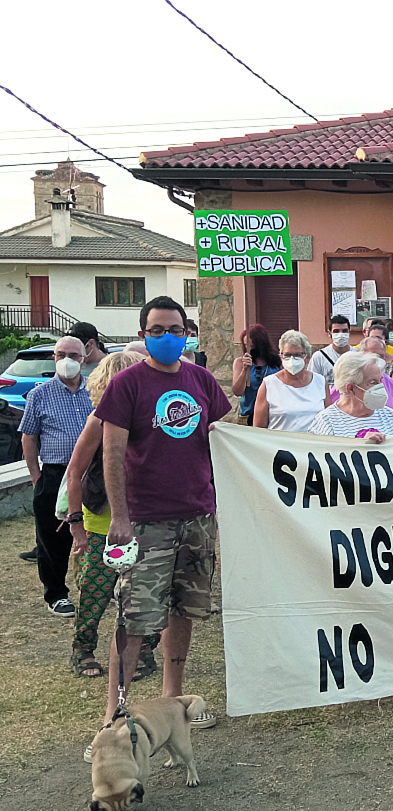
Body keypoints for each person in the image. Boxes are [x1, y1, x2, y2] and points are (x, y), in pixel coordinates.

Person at [94, 295, 232, 740]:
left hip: (197, 516)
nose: (168, 338)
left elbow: (225, 435)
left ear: (186, 333)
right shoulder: (127, 385)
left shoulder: (201, 380)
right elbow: (112, 455)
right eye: (158, 331)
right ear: (143, 335)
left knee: (183, 610)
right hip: (146, 521)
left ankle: (174, 697)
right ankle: (115, 714)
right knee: (134, 618)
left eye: (175, 329)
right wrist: (120, 516)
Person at [63, 351, 159, 680]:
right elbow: (74, 473)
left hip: (145, 518)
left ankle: (144, 650)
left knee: (146, 590)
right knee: (96, 589)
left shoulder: (151, 419)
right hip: (102, 521)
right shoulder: (98, 421)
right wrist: (77, 526)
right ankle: (83, 648)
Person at [20, 335, 92, 616]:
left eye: (73, 355)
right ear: (54, 357)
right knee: (53, 537)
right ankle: (57, 594)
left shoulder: (94, 392)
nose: (67, 361)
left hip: (89, 474)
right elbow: (29, 438)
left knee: (93, 531)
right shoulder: (40, 394)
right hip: (55, 473)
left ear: (83, 359)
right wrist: (37, 477)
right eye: (61, 354)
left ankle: (98, 586)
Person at [309, 351, 393, 440]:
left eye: (380, 381)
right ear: (350, 389)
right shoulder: (326, 422)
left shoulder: (391, 417)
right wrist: (360, 445)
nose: (381, 387)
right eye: (373, 383)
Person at [253, 330, 328, 431]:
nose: (292, 359)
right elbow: (258, 429)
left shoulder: (321, 382)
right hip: (280, 445)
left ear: (307, 357)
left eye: (297, 355)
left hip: (313, 445)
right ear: (281, 356)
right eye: (287, 355)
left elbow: (329, 421)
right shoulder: (269, 385)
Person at [333, 336, 393, 418]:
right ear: (362, 354)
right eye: (374, 355)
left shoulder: (391, 384)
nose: (378, 360)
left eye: (382, 356)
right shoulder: (347, 380)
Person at [231, 324, 281, 424]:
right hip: (249, 414)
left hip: (273, 414)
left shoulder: (277, 363)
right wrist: (245, 370)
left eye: (252, 346)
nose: (249, 349)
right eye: (246, 346)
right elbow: (237, 392)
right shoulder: (240, 363)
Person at [309, 314, 352, 388]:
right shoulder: (319, 357)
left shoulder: (358, 355)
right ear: (329, 333)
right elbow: (312, 383)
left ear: (349, 332)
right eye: (336, 331)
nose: (341, 334)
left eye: (344, 331)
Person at [363, 322, 393, 391]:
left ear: (386, 341)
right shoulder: (362, 359)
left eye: (378, 338)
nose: (375, 341)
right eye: (372, 337)